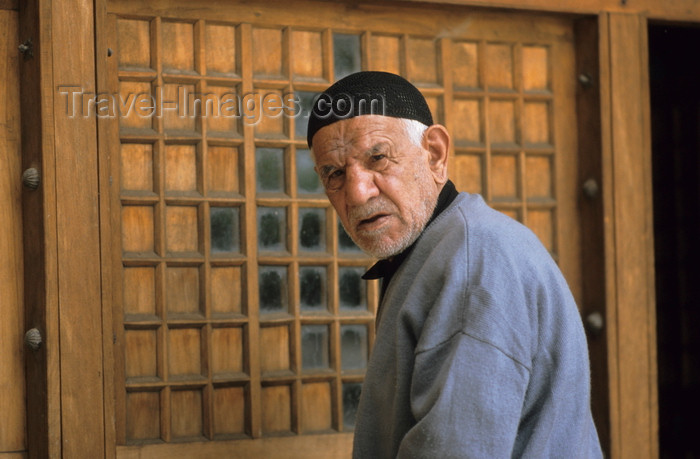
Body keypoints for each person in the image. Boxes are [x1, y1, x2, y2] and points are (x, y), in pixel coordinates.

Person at [306, 71, 603, 458]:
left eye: (377, 158)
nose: (357, 192)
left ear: (435, 154)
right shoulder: (445, 247)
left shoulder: (473, 258)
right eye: (335, 173)